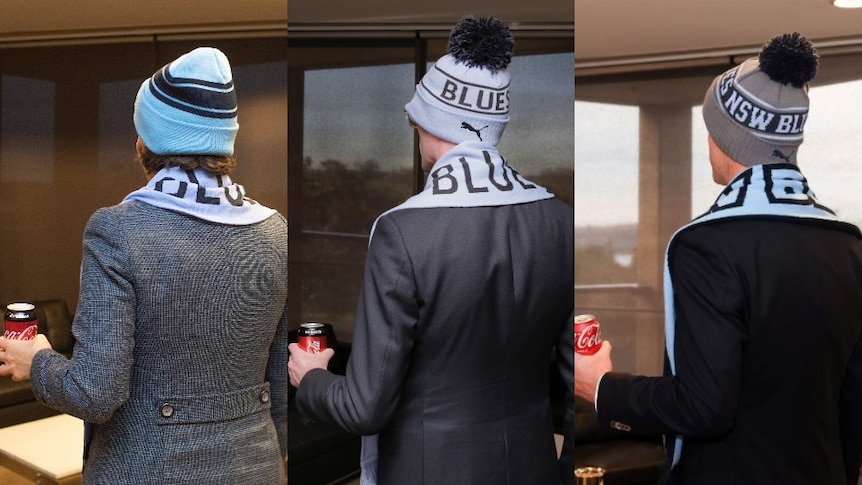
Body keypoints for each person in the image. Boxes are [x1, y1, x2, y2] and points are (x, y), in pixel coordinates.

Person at [288, 15, 574, 485]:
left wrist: (311, 377)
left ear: (428, 120)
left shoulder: (402, 231)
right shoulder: (560, 221)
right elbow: (577, 384)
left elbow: (365, 407)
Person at [575, 32, 862, 485]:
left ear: (724, 137)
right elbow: (853, 405)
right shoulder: (847, 244)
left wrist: (603, 388)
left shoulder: (705, 244)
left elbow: (704, 407)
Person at [0, 47, 288, 484]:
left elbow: (94, 393)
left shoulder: (116, 231)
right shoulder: (275, 232)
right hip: (257, 468)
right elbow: (279, 389)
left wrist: (36, 359)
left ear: (145, 143)